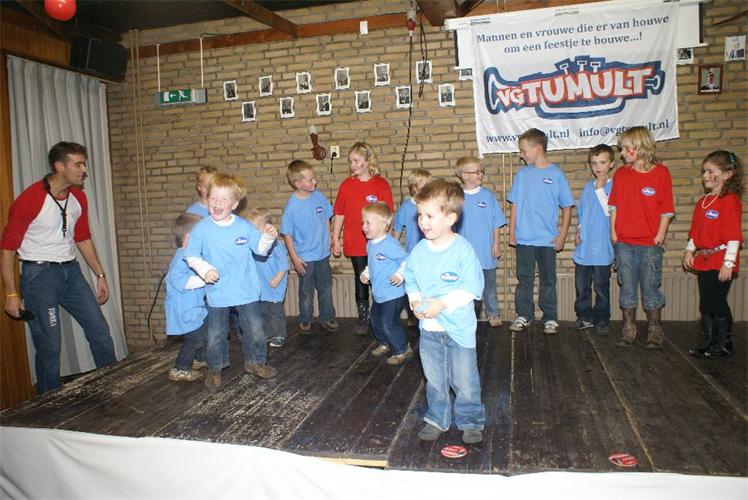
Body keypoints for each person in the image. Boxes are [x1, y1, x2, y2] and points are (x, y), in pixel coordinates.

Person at [1, 141, 116, 394]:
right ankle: (48, 404)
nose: (84, 170)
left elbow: (83, 238)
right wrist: (11, 293)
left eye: (84, 164)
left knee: (99, 331)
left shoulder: (78, 198)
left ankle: (112, 387)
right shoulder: (30, 199)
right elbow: (8, 248)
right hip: (39, 276)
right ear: (59, 166)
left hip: (70, 273)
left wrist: (100, 275)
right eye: (78, 164)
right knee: (49, 345)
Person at [404, 179, 485, 445]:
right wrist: (415, 300)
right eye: (420, 215)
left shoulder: (463, 250)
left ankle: (470, 420)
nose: (422, 222)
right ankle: (437, 418)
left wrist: (442, 303)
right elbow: (411, 278)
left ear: (450, 218)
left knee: (465, 381)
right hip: (430, 330)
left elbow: (472, 287)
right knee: (435, 380)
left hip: (459, 329)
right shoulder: (419, 251)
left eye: (430, 216)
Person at [184, 173, 278, 391]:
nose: (217, 203)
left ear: (234, 204)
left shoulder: (244, 227)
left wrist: (268, 238)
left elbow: (260, 250)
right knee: (215, 334)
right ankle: (215, 368)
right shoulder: (201, 229)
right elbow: (191, 256)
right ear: (207, 198)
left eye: (224, 199)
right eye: (213, 198)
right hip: (218, 293)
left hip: (246, 291)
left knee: (255, 330)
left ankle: (255, 363)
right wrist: (205, 270)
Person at [608, 126, 674, 350]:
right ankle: (629, 328)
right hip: (624, 243)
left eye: (626, 148)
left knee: (650, 287)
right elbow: (614, 206)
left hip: (649, 244)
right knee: (627, 287)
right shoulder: (621, 174)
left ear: (640, 148)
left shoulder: (661, 173)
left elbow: (666, 208)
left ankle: (654, 329)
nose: (622, 153)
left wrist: (660, 234)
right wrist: (614, 232)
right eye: (621, 149)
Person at [507, 129, 574, 335]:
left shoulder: (556, 174)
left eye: (524, 150)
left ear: (537, 148)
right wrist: (511, 232)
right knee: (525, 279)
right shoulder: (522, 175)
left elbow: (567, 207)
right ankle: (524, 315)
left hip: (547, 240)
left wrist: (562, 235)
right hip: (525, 239)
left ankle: (550, 317)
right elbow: (515, 204)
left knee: (548, 280)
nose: (522, 155)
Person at [683, 151, 743, 358]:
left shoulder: (730, 201)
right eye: (704, 172)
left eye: (711, 171)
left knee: (717, 301)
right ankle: (709, 341)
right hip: (705, 259)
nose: (705, 176)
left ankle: (723, 343)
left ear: (727, 174)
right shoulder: (703, 202)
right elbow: (695, 232)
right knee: (706, 302)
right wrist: (689, 250)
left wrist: (729, 263)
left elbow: (734, 236)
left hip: (721, 259)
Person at [332, 142, 394, 334]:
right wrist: (335, 238)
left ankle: (380, 314)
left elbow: (389, 215)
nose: (353, 165)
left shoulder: (381, 185)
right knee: (361, 278)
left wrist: (389, 240)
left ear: (368, 161)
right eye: (350, 161)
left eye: (357, 160)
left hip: (377, 242)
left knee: (379, 277)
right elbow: (340, 213)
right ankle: (363, 316)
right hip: (355, 241)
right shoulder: (347, 185)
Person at [280, 160, 339, 334]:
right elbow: (287, 235)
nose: (315, 181)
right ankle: (305, 319)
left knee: (325, 288)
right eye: (310, 179)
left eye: (314, 178)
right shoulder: (292, 206)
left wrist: (330, 238)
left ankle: (327, 317)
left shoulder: (318, 196)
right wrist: (294, 258)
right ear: (298, 183)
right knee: (306, 291)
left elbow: (327, 218)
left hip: (322, 254)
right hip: (304, 258)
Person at [454, 157, 507, 328]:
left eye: (481, 171)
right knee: (466, 288)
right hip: (465, 256)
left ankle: (493, 314)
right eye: (477, 172)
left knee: (489, 287)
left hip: (486, 253)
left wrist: (496, 244)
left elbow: (496, 222)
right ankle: (468, 317)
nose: (481, 175)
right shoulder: (457, 198)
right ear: (464, 175)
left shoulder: (488, 196)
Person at [359, 203, 411, 365]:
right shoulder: (370, 244)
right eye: (363, 222)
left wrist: (400, 274)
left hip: (393, 293)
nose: (364, 227)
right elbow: (372, 264)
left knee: (388, 323)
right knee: (375, 320)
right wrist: (366, 273)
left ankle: (402, 349)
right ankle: (385, 342)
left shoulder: (390, 244)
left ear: (383, 225)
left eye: (368, 223)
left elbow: (407, 261)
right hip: (379, 293)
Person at [573, 144, 615, 336]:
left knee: (601, 288)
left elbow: (610, 212)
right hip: (585, 248)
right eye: (594, 163)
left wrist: (600, 188)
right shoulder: (587, 187)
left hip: (602, 248)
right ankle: (584, 317)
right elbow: (583, 213)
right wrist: (579, 230)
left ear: (611, 164)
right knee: (582, 286)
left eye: (602, 162)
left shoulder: (614, 187)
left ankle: (602, 319)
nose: (598, 167)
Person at [165, 213, 207, 382]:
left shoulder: (192, 257)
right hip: (185, 309)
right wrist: (205, 279)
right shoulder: (182, 257)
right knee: (195, 338)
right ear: (190, 237)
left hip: (193, 306)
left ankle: (198, 359)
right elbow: (179, 280)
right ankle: (180, 368)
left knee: (202, 333)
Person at [246, 207, 290, 348]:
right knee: (263, 311)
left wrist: (277, 279)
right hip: (261, 286)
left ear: (268, 227)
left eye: (256, 228)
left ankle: (279, 334)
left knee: (275, 311)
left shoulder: (276, 244)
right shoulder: (253, 245)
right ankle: (268, 333)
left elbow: (284, 265)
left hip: (274, 285)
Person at [393, 168, 432, 254]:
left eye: (429, 184)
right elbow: (397, 229)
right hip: (413, 252)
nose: (428, 187)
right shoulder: (406, 207)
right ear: (414, 186)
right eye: (424, 184)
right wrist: (393, 248)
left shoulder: (433, 205)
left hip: (431, 251)